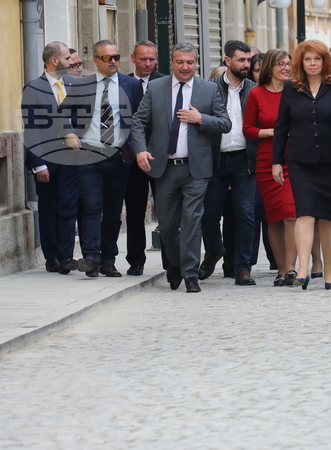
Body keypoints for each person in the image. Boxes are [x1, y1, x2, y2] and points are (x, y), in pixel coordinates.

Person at [131, 42, 231, 294]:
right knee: (166, 225)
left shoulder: (208, 90)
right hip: (164, 168)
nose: (185, 67)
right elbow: (139, 122)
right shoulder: (156, 88)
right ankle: (174, 265)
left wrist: (202, 119)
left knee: (192, 222)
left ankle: (190, 275)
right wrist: (141, 149)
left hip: (196, 168)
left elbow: (225, 123)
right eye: (180, 62)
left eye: (190, 62)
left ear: (196, 63)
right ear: (172, 63)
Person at [272, 40, 331, 291]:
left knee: (329, 216)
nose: (312, 64)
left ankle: (330, 267)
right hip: (300, 160)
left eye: (317, 59)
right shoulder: (291, 87)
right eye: (308, 59)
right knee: (305, 212)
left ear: (325, 61)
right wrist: (276, 161)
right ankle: (302, 268)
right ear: (301, 62)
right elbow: (282, 127)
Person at [69, 40, 143, 278]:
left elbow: (140, 119)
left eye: (116, 57)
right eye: (107, 58)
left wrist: (136, 148)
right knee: (91, 206)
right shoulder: (81, 85)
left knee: (112, 211)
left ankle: (108, 259)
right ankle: (91, 256)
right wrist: (69, 134)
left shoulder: (131, 85)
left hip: (118, 155)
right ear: (95, 61)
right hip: (89, 154)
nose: (113, 61)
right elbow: (61, 114)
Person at [199, 40, 260, 286]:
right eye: (241, 60)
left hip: (244, 160)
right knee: (209, 215)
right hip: (214, 160)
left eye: (248, 60)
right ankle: (214, 250)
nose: (246, 64)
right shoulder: (208, 88)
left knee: (246, 215)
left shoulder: (254, 89)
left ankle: (242, 267)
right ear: (227, 61)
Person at [22, 41, 80, 275]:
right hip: (46, 158)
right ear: (54, 61)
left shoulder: (74, 85)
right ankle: (52, 257)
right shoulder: (33, 89)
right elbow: (31, 128)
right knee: (48, 208)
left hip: (72, 158)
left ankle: (66, 256)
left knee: (68, 207)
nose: (71, 62)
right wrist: (38, 164)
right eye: (67, 59)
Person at [243, 49, 298, 286]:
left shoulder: (297, 91)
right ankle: (281, 270)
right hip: (266, 161)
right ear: (270, 67)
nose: (286, 68)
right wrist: (272, 133)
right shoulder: (256, 94)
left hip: (294, 159)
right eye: (281, 64)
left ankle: (292, 268)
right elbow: (247, 129)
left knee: (291, 213)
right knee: (274, 217)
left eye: (288, 64)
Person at [124, 41, 164, 276]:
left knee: (167, 212)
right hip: (132, 158)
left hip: (160, 156)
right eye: (143, 59)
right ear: (133, 58)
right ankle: (136, 260)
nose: (148, 64)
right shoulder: (124, 84)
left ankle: (171, 261)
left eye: (151, 59)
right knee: (135, 211)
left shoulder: (165, 82)